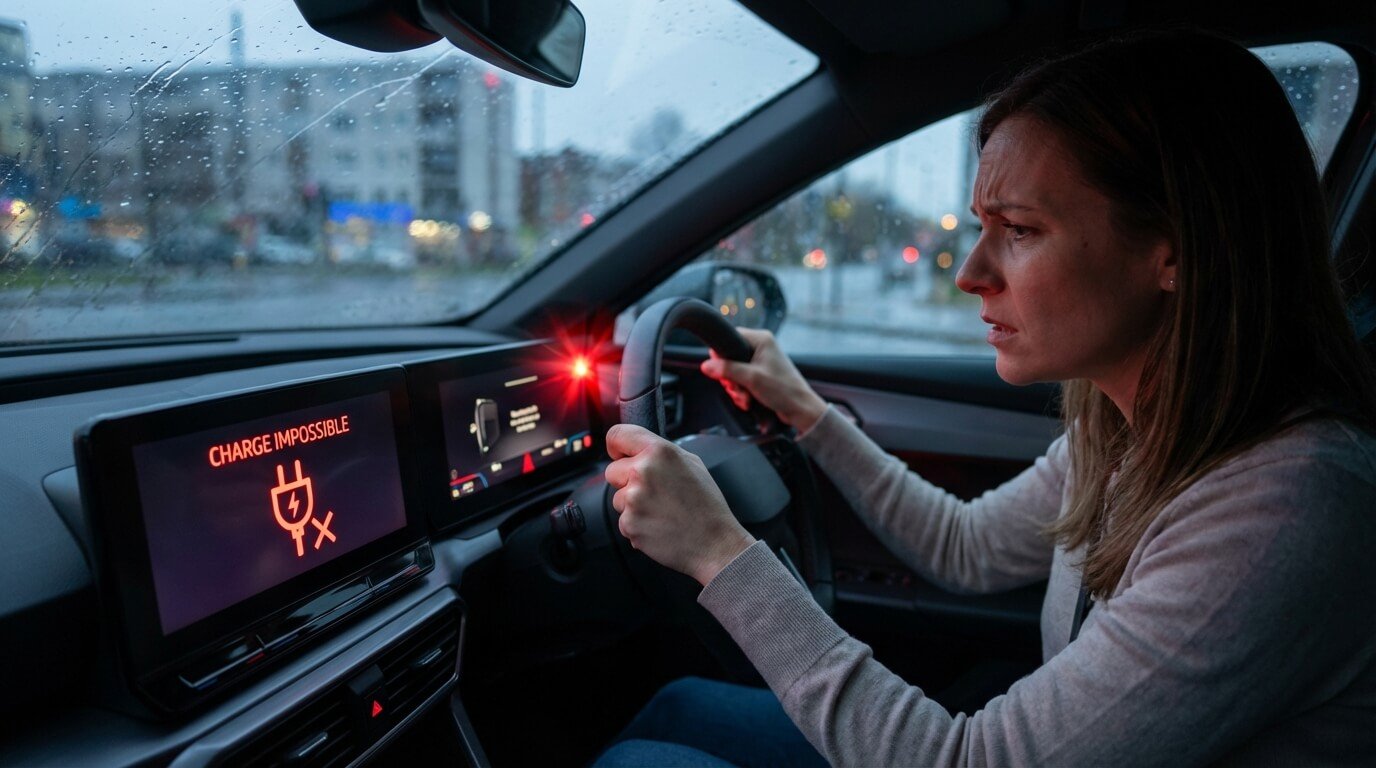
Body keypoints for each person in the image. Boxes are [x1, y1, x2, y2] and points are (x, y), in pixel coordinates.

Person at [593, 28, 1376, 768]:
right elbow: (963, 548)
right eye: (981, 227)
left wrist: (718, 552)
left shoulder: (1285, 507)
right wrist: (807, 412)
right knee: (678, 707)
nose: (969, 274)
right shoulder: (1126, 426)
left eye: (1020, 230)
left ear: (1175, 250)